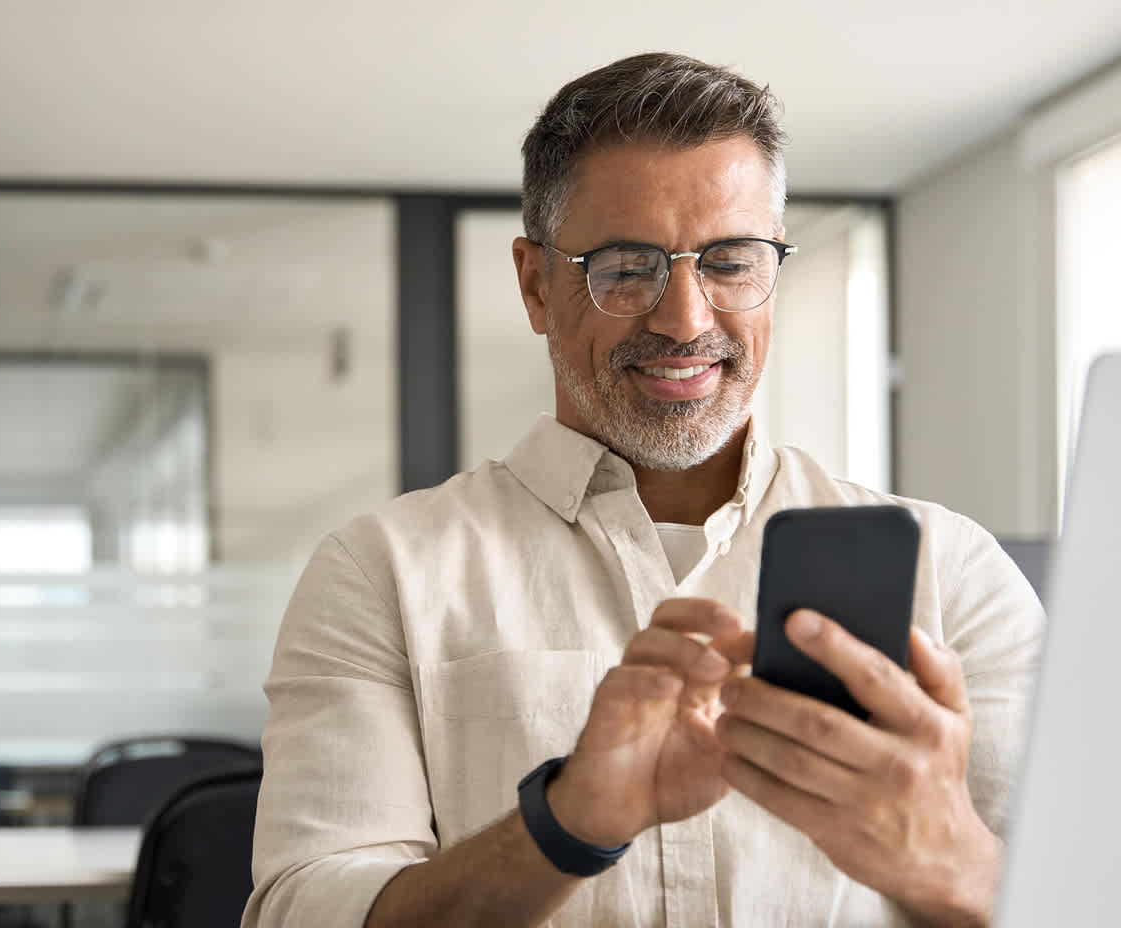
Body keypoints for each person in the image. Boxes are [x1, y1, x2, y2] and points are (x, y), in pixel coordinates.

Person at [241, 52, 1044, 928]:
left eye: (732, 261)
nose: (686, 319)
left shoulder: (953, 573)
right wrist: (570, 822)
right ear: (536, 284)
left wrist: (943, 855)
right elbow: (305, 910)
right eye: (627, 266)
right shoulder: (383, 573)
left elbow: (1112, 894)